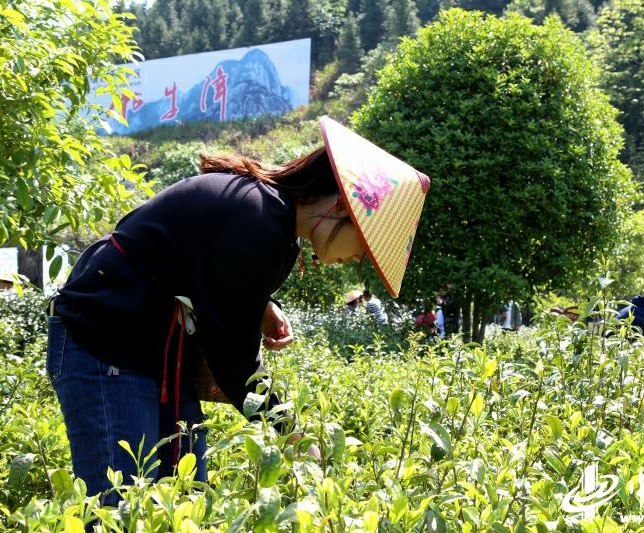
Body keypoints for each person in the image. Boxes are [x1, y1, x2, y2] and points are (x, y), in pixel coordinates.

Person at [46, 116, 430, 505]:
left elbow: (203, 266)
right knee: (119, 507)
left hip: (152, 349)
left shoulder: (271, 222)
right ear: (338, 207)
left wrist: (262, 306)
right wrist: (295, 437)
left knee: (180, 500)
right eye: (362, 246)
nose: (355, 258)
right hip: (104, 341)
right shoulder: (256, 220)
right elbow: (233, 360)